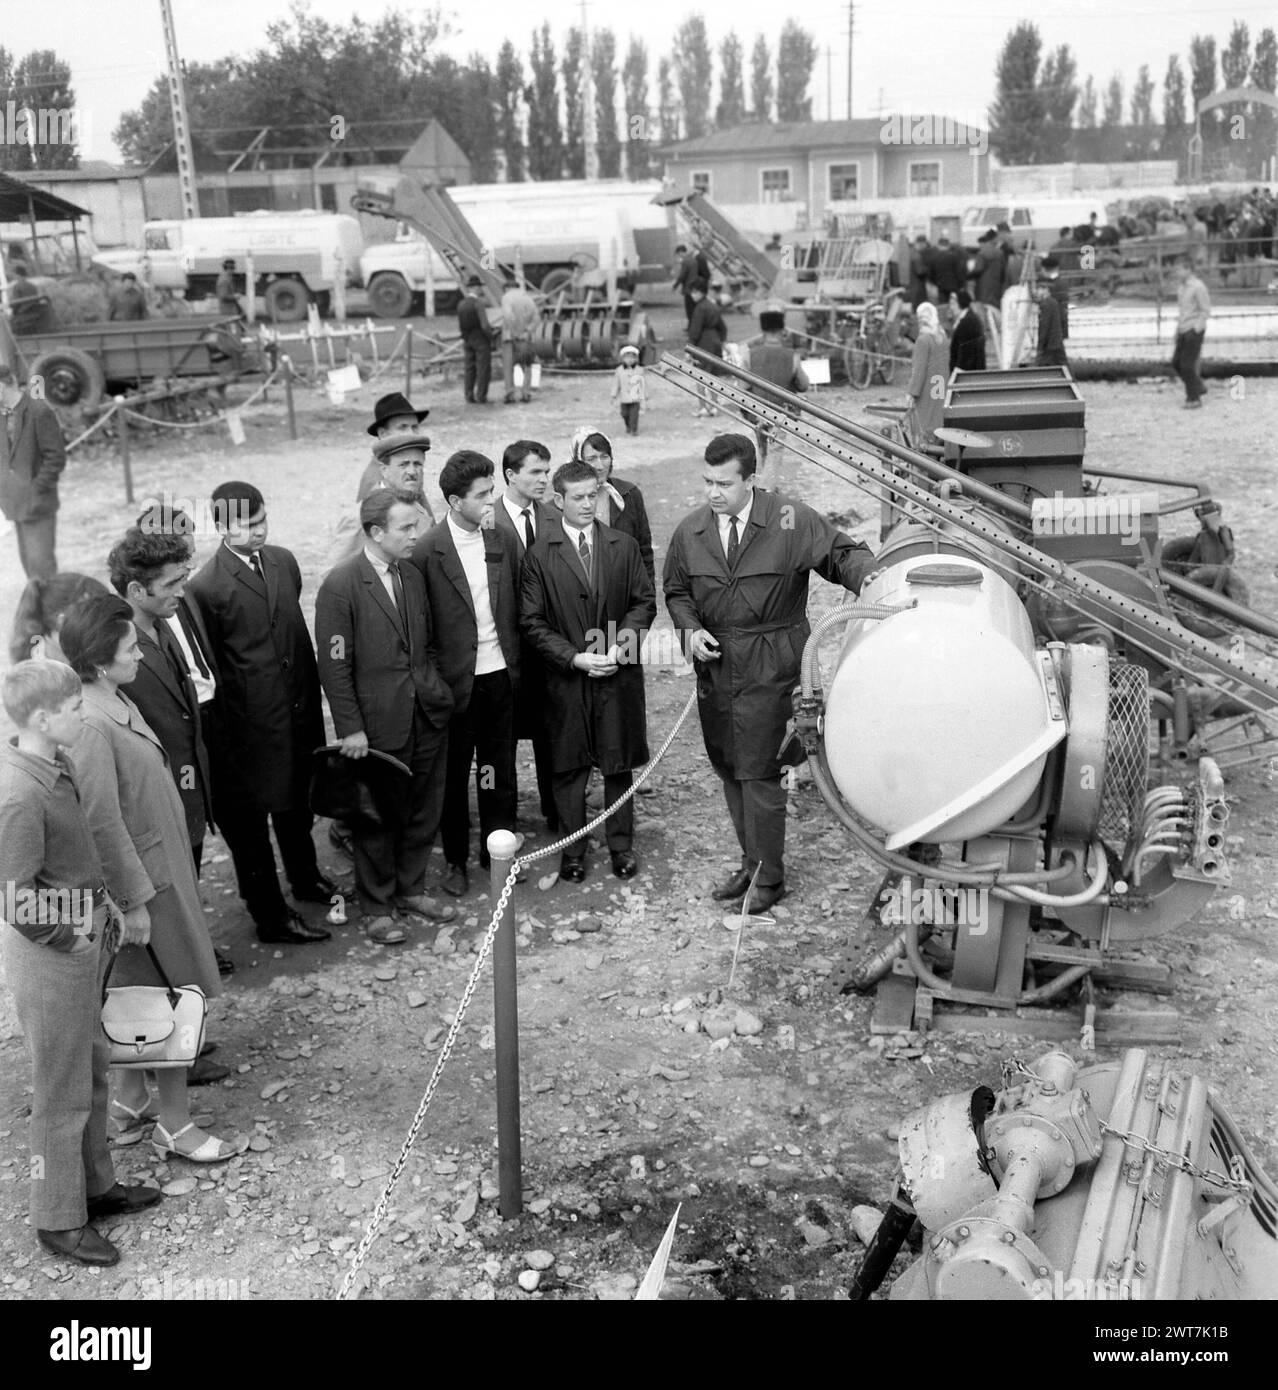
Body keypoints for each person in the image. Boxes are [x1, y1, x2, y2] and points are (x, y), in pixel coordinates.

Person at [59, 596, 239, 1166]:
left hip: (158, 874)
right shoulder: (90, 722)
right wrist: (133, 903)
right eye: (130, 648)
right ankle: (176, 1124)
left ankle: (131, 1100)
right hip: (143, 889)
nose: (141, 653)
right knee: (166, 1001)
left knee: (141, 998)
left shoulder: (111, 697)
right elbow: (100, 820)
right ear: (99, 662)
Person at [663, 434, 875, 915]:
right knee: (730, 767)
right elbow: (676, 591)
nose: (713, 493)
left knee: (762, 771)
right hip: (717, 667)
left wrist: (869, 576)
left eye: (724, 484)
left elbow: (841, 555)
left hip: (774, 663)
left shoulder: (789, 519)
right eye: (707, 482)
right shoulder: (691, 531)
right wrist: (690, 631)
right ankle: (750, 861)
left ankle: (770, 876)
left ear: (751, 480)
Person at [0, 659, 163, 1267]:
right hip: (54, 954)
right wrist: (70, 936)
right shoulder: (19, 791)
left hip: (82, 938)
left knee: (92, 1070)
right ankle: (56, 1219)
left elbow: (74, 856)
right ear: (42, 718)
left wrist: (104, 908)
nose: (81, 714)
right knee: (59, 1092)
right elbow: (15, 896)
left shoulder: (53, 762)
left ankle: (96, 1187)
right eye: (72, 707)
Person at [186, 482, 332, 946]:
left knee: (298, 803)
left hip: (298, 708)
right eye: (246, 527)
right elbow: (213, 661)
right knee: (259, 813)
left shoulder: (284, 561)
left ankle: (306, 877)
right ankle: (269, 911)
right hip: (250, 725)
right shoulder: (205, 587)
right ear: (223, 528)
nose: (258, 532)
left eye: (262, 521)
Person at [315, 490, 457, 943]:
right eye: (406, 528)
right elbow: (333, 666)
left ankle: (411, 889)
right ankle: (377, 906)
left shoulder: (411, 574)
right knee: (376, 817)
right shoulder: (341, 585)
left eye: (416, 525)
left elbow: (428, 642)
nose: (416, 534)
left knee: (423, 807)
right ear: (376, 533)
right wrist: (351, 728)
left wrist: (435, 689)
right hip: (376, 726)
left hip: (426, 714)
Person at [520, 460, 655, 882]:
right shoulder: (539, 555)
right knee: (569, 766)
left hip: (616, 670)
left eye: (592, 495)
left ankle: (621, 846)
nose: (586, 504)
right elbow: (531, 621)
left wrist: (619, 647)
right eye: (577, 497)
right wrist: (575, 658)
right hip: (567, 677)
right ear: (557, 499)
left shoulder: (623, 545)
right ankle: (572, 850)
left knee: (618, 761)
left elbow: (642, 603)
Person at [412, 451, 521, 897]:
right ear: (455, 502)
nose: (491, 500)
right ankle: (455, 860)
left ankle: (498, 856)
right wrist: (435, 683)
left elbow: (515, 602)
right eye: (482, 494)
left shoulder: (501, 539)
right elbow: (419, 628)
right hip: (454, 686)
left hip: (499, 678)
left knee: (499, 770)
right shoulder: (426, 551)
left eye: (492, 489)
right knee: (454, 776)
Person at [494, 440, 559, 832]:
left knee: (551, 733)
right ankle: (504, 822)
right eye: (535, 472)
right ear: (510, 475)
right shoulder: (488, 521)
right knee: (501, 743)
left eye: (547, 471)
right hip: (503, 652)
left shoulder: (553, 516)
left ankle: (557, 810)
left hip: (548, 650)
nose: (544, 479)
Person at [330, 429, 437, 570]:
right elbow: (333, 578)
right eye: (403, 464)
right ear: (384, 470)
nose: (412, 472)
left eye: (417, 464)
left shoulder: (420, 509)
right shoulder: (359, 517)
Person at [0, 361, 67, 581]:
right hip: (15, 505)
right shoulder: (3, 414)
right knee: (29, 567)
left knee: (42, 570)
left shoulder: (39, 411)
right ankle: (40, 612)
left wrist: (35, 490)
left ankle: (51, 613)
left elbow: (55, 457)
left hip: (38, 505)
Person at [570, 428, 655, 588]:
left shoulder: (628, 495)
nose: (600, 465)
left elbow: (644, 551)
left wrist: (647, 596)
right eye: (591, 458)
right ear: (578, 460)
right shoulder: (564, 502)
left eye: (605, 457)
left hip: (625, 589)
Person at [743, 308, 810, 474]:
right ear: (782, 331)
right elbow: (803, 385)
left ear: (763, 331)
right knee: (776, 451)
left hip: (756, 411)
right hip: (781, 413)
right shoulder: (792, 356)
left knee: (763, 447)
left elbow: (743, 387)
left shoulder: (749, 355)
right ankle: (767, 487)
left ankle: (766, 481)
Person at [9, 572, 107, 666]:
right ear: (61, 621)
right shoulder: (47, 674)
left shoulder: (61, 655)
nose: (101, 626)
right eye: (93, 617)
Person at [1163, 501, 1250, 605]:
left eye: (1200, 514)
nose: (1199, 517)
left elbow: (1230, 554)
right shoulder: (1206, 535)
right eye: (1198, 513)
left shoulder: (1219, 532)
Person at [354, 391, 431, 505]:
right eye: (403, 427)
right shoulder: (376, 482)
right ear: (383, 434)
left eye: (414, 427)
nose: (411, 433)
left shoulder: (409, 463)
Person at [906, 302, 950, 447]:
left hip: (926, 392)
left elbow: (919, 370)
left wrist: (912, 393)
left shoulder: (923, 340)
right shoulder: (942, 337)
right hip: (940, 388)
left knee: (924, 428)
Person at [1171, 259, 1211, 409]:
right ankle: (1197, 386)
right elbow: (1182, 311)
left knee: (1187, 365)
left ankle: (1193, 398)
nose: (1177, 273)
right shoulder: (1181, 288)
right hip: (1183, 328)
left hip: (1193, 329)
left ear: (1188, 270)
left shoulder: (1198, 287)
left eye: (1180, 269)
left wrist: (1196, 328)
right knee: (1176, 362)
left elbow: (1205, 309)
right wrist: (1178, 329)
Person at [686, 278, 727, 417]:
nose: (693, 295)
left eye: (695, 292)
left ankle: (703, 407)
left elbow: (695, 330)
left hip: (703, 342)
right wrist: (720, 341)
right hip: (715, 341)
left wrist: (690, 348)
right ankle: (715, 406)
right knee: (713, 375)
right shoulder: (713, 305)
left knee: (700, 375)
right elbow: (723, 327)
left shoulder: (699, 308)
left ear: (702, 292)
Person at [499, 274, 539, 404]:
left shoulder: (506, 297)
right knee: (526, 364)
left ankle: (510, 393)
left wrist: (515, 332)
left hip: (509, 337)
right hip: (525, 338)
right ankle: (526, 392)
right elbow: (536, 319)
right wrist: (526, 331)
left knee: (508, 366)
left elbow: (508, 316)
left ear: (507, 288)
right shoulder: (528, 299)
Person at [457, 275, 494, 405]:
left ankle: (468, 395)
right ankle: (481, 396)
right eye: (479, 287)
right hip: (480, 340)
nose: (481, 290)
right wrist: (491, 337)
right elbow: (484, 325)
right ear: (475, 288)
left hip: (467, 340)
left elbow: (461, 324)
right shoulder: (478, 304)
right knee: (483, 368)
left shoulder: (461, 304)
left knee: (469, 368)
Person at [610, 342, 646, 435]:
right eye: (627, 357)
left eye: (632, 357)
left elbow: (642, 383)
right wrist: (613, 395)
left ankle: (634, 430)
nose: (629, 360)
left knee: (634, 415)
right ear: (623, 358)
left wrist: (645, 395)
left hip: (635, 398)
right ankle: (628, 426)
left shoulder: (640, 370)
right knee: (624, 414)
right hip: (624, 398)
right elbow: (616, 384)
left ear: (636, 359)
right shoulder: (619, 370)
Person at [672, 242, 710, 325]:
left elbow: (682, 276)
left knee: (689, 310)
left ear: (681, 252)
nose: (679, 256)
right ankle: (694, 326)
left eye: (679, 254)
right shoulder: (693, 259)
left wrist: (675, 285)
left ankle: (692, 327)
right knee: (694, 308)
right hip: (694, 287)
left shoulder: (686, 261)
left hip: (688, 288)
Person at [1033, 282, 1068, 368]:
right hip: (1056, 342)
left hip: (1049, 345)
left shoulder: (1045, 304)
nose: (1036, 292)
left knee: (1041, 368)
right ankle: (1072, 381)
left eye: (1038, 289)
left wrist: (1040, 347)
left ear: (1045, 290)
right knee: (1064, 367)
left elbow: (1044, 327)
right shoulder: (1053, 302)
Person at [950, 289, 986, 372]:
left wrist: (958, 368)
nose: (951, 308)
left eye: (953, 304)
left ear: (961, 302)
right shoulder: (967, 319)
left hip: (967, 372)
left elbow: (967, 350)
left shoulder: (969, 321)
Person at [930, 234, 967, 314]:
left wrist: (936, 283)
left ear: (938, 245)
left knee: (943, 307)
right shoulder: (955, 256)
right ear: (948, 245)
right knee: (955, 306)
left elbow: (931, 274)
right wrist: (961, 285)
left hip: (941, 286)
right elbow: (960, 272)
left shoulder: (934, 257)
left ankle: (944, 323)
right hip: (954, 286)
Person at [1039, 256, 1070, 340]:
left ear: (1044, 269)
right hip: (1062, 320)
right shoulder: (1063, 281)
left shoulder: (1050, 284)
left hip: (1053, 324)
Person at [908, 234, 935, 308]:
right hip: (918, 287)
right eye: (925, 245)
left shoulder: (912, 253)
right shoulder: (917, 256)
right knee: (920, 307)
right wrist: (927, 269)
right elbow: (920, 272)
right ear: (922, 244)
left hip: (913, 286)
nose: (926, 247)